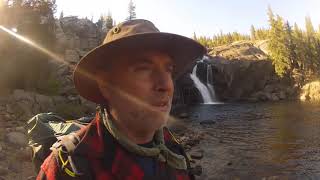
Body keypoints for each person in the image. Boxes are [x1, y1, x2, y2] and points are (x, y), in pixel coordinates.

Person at [37, 19, 206, 180]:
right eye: (143, 69)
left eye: (168, 70)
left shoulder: (174, 150)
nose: (166, 85)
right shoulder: (68, 168)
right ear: (105, 85)